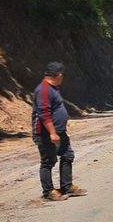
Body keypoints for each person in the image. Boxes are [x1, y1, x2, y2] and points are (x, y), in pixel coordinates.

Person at [31, 62, 87, 202]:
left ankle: (66, 186)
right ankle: (48, 191)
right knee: (48, 161)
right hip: (46, 133)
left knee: (68, 155)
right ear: (60, 75)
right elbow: (44, 113)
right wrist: (52, 133)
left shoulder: (52, 88)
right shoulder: (44, 89)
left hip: (59, 132)